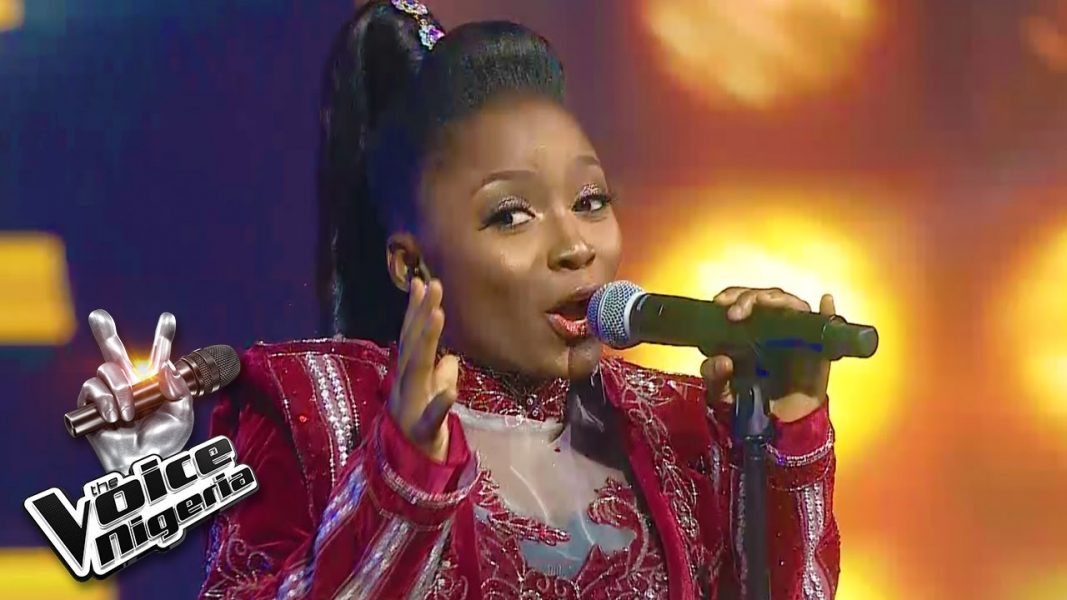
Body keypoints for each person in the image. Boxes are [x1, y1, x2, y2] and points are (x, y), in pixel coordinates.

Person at [78, 1, 841, 598]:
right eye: (510, 215)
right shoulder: (316, 411)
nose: (574, 246)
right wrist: (401, 481)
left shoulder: (678, 424)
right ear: (411, 265)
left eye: (590, 200)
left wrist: (788, 439)